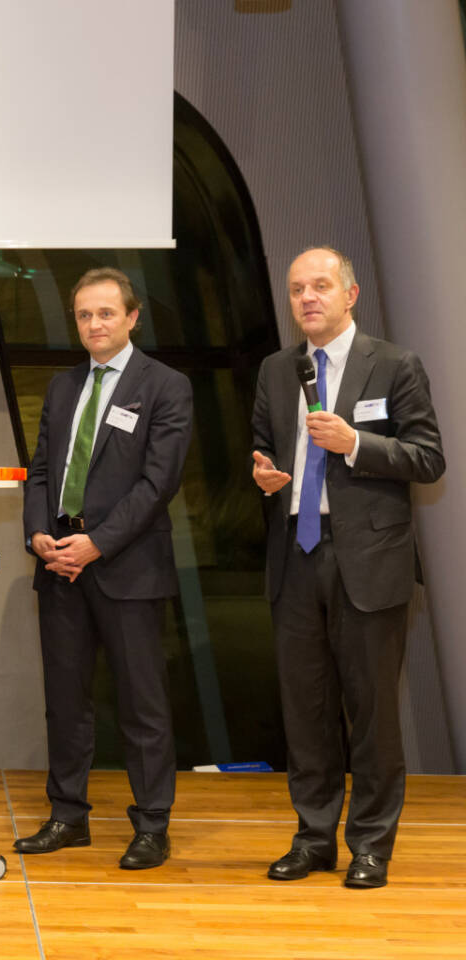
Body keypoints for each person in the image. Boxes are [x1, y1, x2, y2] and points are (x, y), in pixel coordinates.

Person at [251, 246, 444, 889]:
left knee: (372, 715)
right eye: (298, 289)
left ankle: (370, 845)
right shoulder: (277, 370)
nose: (307, 298)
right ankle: (313, 838)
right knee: (305, 713)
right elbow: (261, 444)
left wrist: (356, 443)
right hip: (296, 555)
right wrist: (263, 472)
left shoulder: (393, 364)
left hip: (368, 559)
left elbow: (427, 458)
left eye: (320, 286)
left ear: (349, 294)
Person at [18, 267, 192, 870]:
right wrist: (38, 532)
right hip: (58, 565)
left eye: (106, 314)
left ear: (132, 317)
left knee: (142, 704)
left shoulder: (166, 386)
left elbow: (156, 485)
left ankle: (150, 826)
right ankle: (67, 816)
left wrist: (97, 543)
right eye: (84, 315)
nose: (94, 325)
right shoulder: (63, 387)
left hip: (127, 566)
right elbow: (40, 469)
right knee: (65, 701)